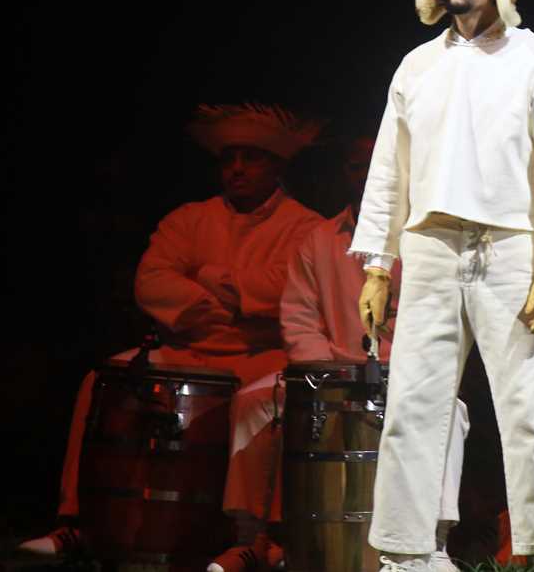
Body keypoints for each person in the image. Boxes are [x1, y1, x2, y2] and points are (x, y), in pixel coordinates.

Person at [350, 0, 534, 572]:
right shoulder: (417, 66)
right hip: (428, 245)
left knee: (527, 403)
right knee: (412, 403)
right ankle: (406, 550)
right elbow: (390, 171)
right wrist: (377, 263)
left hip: (511, 245)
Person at [20, 104, 323, 561]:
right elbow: (153, 280)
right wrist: (226, 305)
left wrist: (208, 276)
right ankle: (79, 524)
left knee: (265, 400)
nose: (237, 168)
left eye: (251, 157)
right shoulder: (189, 218)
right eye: (229, 158)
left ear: (277, 165)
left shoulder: (306, 226)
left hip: (260, 355)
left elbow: (284, 291)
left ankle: (253, 543)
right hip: (186, 349)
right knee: (103, 382)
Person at [210, 136, 471, 572]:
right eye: (356, 166)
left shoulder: (431, 241)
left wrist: (404, 370)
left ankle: (434, 544)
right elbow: (297, 318)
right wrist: (328, 375)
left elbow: (449, 322)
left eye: (376, 164)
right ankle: (251, 539)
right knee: (254, 403)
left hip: (407, 375)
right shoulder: (319, 240)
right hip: (327, 374)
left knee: (452, 413)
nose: (367, 175)